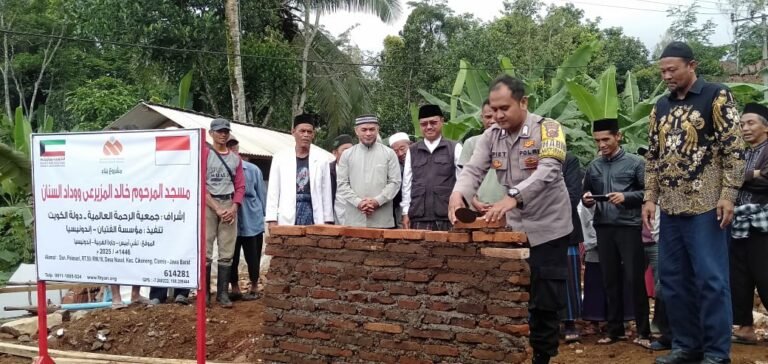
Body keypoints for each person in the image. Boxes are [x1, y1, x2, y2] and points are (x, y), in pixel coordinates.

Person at [449, 75, 572, 364]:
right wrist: (458, 196)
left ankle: (543, 356)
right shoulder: (491, 136)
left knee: (545, 296)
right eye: (494, 109)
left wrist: (513, 196)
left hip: (549, 226)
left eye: (505, 108)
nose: (498, 115)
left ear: (523, 102)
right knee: (512, 290)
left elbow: (549, 171)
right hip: (514, 228)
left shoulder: (550, 129)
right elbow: (472, 171)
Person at [643, 41, 745, 364]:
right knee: (673, 282)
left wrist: (728, 195)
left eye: (672, 69)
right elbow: (652, 157)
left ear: (692, 65)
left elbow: (735, 149)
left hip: (706, 206)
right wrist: (649, 198)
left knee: (711, 281)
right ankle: (687, 346)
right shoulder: (660, 105)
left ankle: (716, 352)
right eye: (662, 71)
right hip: (670, 209)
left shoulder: (716, 95)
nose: (667, 76)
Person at [582, 118, 650, 348]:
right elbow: (586, 194)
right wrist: (588, 200)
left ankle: (643, 332)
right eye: (597, 140)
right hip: (603, 227)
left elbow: (649, 193)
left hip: (629, 227)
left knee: (634, 279)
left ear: (618, 136)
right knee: (609, 280)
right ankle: (615, 330)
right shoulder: (594, 166)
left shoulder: (635, 163)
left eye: (606, 139)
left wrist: (627, 197)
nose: (601, 144)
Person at [729, 103, 768, 346]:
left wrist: (741, 179)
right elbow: (728, 178)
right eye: (742, 124)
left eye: (750, 123)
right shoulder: (742, 153)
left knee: (765, 275)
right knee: (739, 277)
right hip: (738, 222)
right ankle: (745, 327)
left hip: (763, 224)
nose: (744, 128)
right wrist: (754, 174)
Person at [401, 104, 463, 231]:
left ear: (442, 122)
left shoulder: (454, 147)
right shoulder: (412, 151)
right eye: (424, 124)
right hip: (419, 216)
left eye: (433, 122)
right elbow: (407, 184)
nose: (429, 127)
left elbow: (463, 180)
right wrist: (405, 212)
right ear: (420, 125)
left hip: (449, 216)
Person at [266, 114, 334, 226]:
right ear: (293, 132)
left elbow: (326, 191)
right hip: (287, 214)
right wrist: (272, 219)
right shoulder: (280, 157)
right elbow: (273, 191)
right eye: (302, 131)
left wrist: (328, 219)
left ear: (313, 135)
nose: (306, 135)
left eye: (309, 132)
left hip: (314, 212)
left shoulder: (322, 159)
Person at [336, 115, 401, 228]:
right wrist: (358, 203)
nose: (368, 133)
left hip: (382, 220)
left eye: (372, 129)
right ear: (356, 131)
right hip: (354, 220)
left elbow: (395, 182)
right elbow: (342, 184)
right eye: (364, 130)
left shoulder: (389, 153)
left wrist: (377, 201)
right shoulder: (347, 155)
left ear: (377, 130)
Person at [225, 136, 266, 301]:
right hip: (231, 219)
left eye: (234, 146)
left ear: (238, 149)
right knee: (230, 256)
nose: (232, 150)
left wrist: (264, 216)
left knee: (253, 255)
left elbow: (261, 193)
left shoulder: (252, 169)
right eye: (228, 147)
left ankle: (254, 285)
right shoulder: (222, 170)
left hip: (252, 219)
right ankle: (234, 288)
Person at [458, 99, 506, 212]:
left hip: (506, 210)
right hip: (475, 209)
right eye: (488, 117)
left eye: (496, 116)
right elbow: (464, 178)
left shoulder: (514, 143)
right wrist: (474, 202)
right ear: (482, 118)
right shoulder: (471, 143)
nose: (492, 121)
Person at [561, 152, 584, 342]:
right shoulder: (527, 159)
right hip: (535, 228)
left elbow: (573, 195)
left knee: (569, 277)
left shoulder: (569, 160)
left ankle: (569, 321)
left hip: (565, 228)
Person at [329, 134, 354, 224]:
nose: (349, 153)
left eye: (352, 150)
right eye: (345, 150)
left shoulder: (359, 170)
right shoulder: (328, 170)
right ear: (335, 153)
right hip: (334, 215)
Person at [388, 132, 411, 228]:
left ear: (410, 145)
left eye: (402, 149)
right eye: (396, 151)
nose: (400, 154)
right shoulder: (392, 167)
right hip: (400, 208)